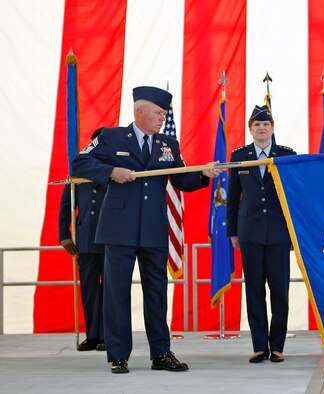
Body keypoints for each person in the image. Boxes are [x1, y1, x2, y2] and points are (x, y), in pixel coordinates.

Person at [72, 86, 221, 374]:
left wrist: (202, 174)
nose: (162, 118)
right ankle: (118, 355)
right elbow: (80, 162)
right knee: (116, 294)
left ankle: (161, 353)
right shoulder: (111, 136)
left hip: (153, 229)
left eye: (165, 113)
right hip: (118, 229)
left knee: (157, 293)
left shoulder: (168, 144)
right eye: (158, 112)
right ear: (140, 111)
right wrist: (110, 172)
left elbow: (181, 179)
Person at [226, 105, 296, 363]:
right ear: (251, 129)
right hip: (249, 232)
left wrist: (293, 232)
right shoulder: (239, 156)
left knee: (280, 291)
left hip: (279, 232)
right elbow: (232, 197)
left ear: (273, 127)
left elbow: (294, 196)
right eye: (257, 124)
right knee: (254, 289)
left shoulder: (286, 155)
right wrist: (231, 230)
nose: (262, 128)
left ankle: (276, 346)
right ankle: (259, 346)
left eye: (266, 124)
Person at [59, 127, 107, 352]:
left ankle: (108, 335)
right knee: (89, 289)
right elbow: (66, 206)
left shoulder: (119, 170)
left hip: (111, 239)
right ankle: (93, 335)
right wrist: (64, 235)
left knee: (111, 289)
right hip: (86, 239)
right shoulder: (78, 172)